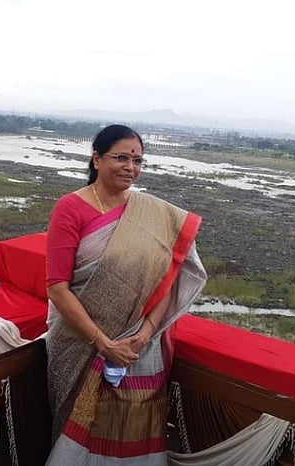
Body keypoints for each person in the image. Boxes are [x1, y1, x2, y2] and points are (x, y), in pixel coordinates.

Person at [44, 124, 208, 464]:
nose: (130, 168)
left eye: (137, 160)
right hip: (81, 345)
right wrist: (104, 344)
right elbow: (57, 288)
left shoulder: (152, 214)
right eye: (121, 158)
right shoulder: (71, 208)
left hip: (139, 348)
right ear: (97, 159)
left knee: (132, 426)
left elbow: (166, 278)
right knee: (79, 426)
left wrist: (145, 333)